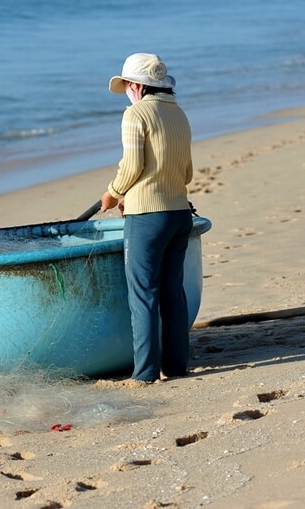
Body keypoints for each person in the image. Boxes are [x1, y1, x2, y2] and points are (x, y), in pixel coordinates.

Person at [100, 53, 194, 383]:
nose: (126, 91)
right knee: (173, 292)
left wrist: (113, 193)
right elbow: (187, 173)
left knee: (143, 295)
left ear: (138, 86)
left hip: (147, 219)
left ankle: (145, 374)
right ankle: (177, 366)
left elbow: (132, 166)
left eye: (127, 85)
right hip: (180, 213)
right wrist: (135, 192)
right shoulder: (179, 115)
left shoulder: (135, 114)